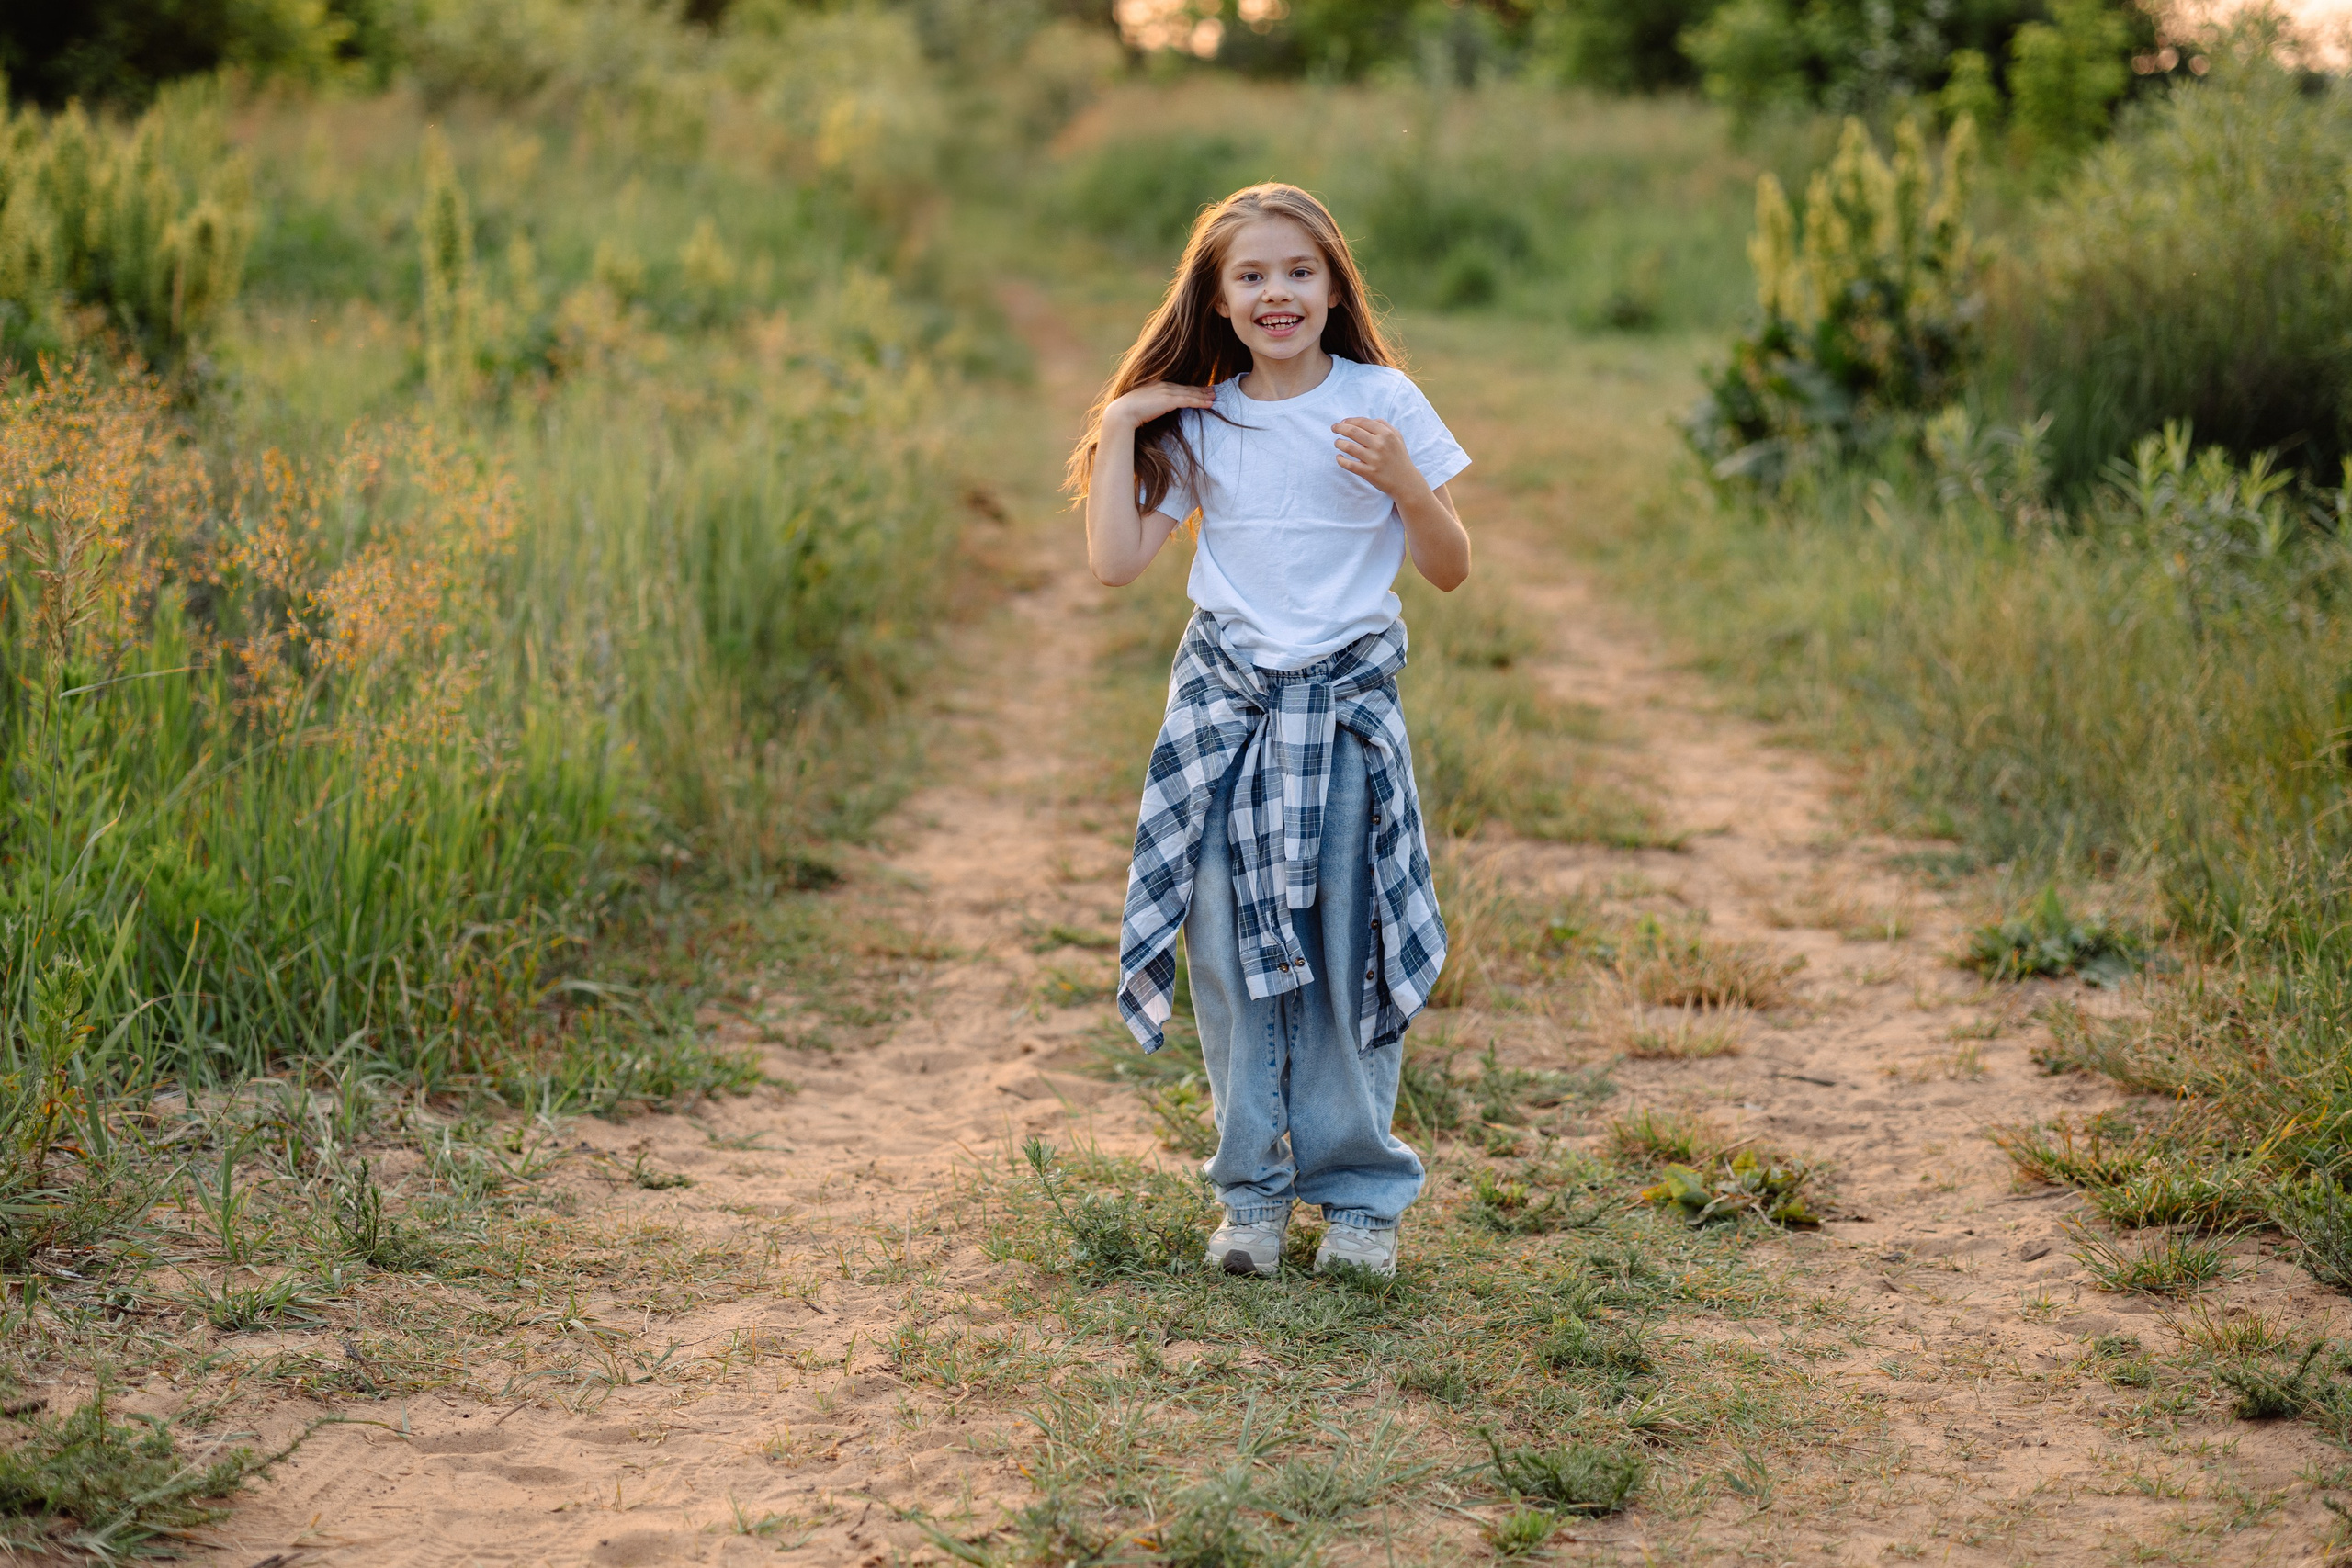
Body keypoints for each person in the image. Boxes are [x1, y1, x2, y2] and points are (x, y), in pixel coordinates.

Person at [1069, 182, 1470, 1280]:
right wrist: (1118, 428)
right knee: (1225, 955)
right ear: (1219, 298)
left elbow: (1448, 566)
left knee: (1345, 950)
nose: (1275, 292)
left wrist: (1405, 484)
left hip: (1340, 712)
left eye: (1297, 270)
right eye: (1249, 275)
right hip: (1226, 710)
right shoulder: (1207, 421)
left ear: (1334, 285)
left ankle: (1358, 1204)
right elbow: (1112, 564)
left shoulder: (1383, 399)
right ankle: (1249, 1194)